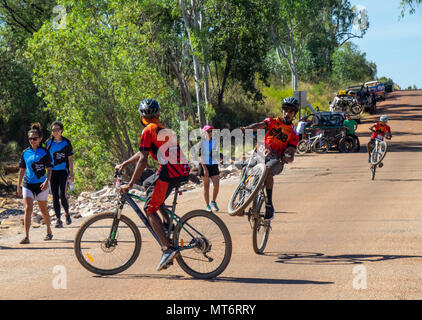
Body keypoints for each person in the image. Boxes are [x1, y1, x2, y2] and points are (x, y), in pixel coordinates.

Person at [115, 99, 190, 271]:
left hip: (170, 171)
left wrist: (131, 184)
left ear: (141, 116)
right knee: (149, 184)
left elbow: (143, 160)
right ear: (158, 114)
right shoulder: (161, 128)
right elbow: (143, 152)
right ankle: (167, 224)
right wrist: (124, 164)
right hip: (180, 169)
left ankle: (167, 249)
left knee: (149, 209)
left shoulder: (148, 130)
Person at [240, 97, 299, 221]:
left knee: (267, 170)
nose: (287, 113)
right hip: (260, 153)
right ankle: (241, 198)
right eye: (285, 110)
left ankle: (269, 204)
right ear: (282, 110)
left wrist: (287, 156)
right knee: (245, 168)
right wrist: (247, 129)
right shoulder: (273, 121)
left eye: (291, 111)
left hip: (276, 160)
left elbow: (291, 152)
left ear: (294, 114)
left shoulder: (293, 134)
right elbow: (260, 125)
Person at [17, 123, 53, 244]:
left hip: (41, 184)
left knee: (43, 209)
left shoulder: (45, 152)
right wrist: (18, 186)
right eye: (30, 138)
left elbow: (49, 169)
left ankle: (49, 231)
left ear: (40, 139)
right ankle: (26, 236)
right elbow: (22, 170)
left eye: (34, 138)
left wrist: (47, 181)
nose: (32, 140)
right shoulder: (25, 153)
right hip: (28, 183)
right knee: (28, 208)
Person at [45, 121, 74, 228]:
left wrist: (71, 173)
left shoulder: (66, 142)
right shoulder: (48, 143)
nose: (55, 132)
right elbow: (45, 157)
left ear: (61, 130)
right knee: (55, 196)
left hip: (63, 172)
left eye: (57, 130)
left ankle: (66, 213)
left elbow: (70, 159)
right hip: (52, 172)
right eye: (53, 130)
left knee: (62, 194)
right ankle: (58, 219)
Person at [198, 125, 220, 212]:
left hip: (213, 165)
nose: (210, 133)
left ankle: (213, 202)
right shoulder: (201, 143)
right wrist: (205, 169)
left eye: (211, 131)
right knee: (206, 187)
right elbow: (201, 157)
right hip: (204, 166)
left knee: (216, 185)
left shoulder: (214, 141)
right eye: (208, 131)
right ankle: (207, 206)